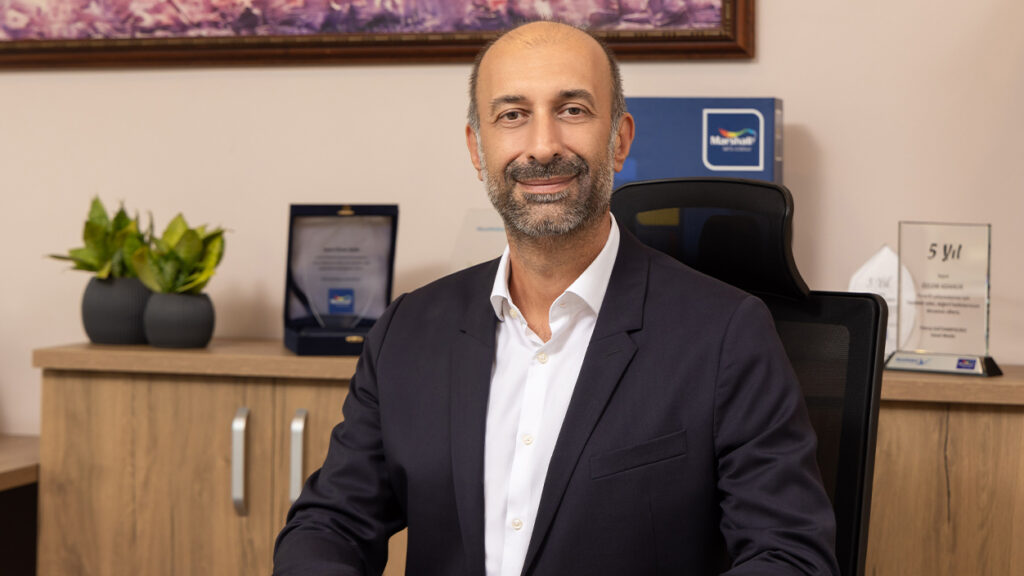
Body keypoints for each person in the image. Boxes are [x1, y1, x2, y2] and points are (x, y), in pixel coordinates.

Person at [274, 21, 839, 576]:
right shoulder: (407, 331)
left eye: (572, 110)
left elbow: (790, 556)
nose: (543, 147)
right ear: (477, 148)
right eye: (512, 115)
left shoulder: (726, 334)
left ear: (619, 139)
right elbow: (330, 525)